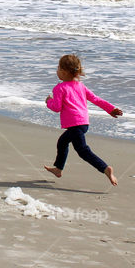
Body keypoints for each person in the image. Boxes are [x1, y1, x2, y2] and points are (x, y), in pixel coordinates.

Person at [43, 54, 122, 186]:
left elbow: (56, 108)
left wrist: (48, 101)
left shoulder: (59, 88)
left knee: (83, 151)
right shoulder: (81, 86)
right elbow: (96, 99)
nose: (56, 71)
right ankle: (58, 168)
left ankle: (105, 168)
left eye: (58, 68)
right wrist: (110, 109)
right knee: (62, 142)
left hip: (74, 124)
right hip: (83, 123)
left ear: (64, 71)